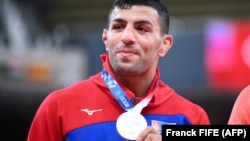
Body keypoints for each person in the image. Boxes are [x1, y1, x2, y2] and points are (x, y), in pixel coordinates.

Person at [27, 0, 210, 141]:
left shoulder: (191, 117)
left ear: (164, 44)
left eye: (142, 29)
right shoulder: (58, 107)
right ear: (106, 39)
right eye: (118, 27)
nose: (127, 37)